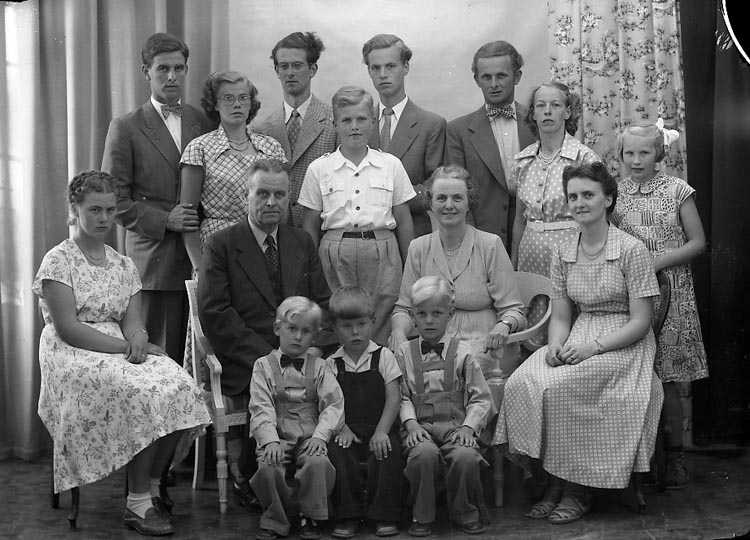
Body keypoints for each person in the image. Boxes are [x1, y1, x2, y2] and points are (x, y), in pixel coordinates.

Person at [33, 171, 210, 536]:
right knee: (139, 392)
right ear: (74, 209)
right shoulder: (58, 260)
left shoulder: (123, 264)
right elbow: (68, 328)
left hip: (120, 347)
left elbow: (134, 321)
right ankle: (137, 505)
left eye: (110, 210)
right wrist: (126, 348)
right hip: (71, 352)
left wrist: (141, 338)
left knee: (180, 383)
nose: (103, 219)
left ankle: (151, 485)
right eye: (94, 209)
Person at [493, 162, 664, 525]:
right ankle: (551, 480)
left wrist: (594, 348)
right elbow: (560, 315)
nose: (580, 202)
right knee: (524, 381)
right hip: (578, 333)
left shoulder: (631, 250)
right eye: (573, 196)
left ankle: (574, 489)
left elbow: (641, 321)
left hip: (623, 343)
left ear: (608, 199)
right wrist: (555, 345)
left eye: (588, 194)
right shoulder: (563, 250)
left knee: (562, 387)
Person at [198, 158, 330, 511]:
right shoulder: (221, 244)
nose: (272, 202)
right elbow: (216, 314)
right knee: (272, 380)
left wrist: (305, 349)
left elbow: (322, 303)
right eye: (263, 194)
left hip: (301, 351)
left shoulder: (301, 241)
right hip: (246, 357)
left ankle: (315, 476)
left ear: (289, 199)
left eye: (280, 195)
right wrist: (269, 359)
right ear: (246, 196)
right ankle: (255, 477)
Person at [101, 32, 212, 365]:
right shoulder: (126, 127)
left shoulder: (202, 121)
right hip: (154, 263)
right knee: (159, 360)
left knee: (197, 360)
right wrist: (167, 220)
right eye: (163, 68)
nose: (172, 76)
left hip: (200, 258)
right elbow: (113, 201)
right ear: (146, 71)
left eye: (179, 68)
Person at [613, 119, 708, 490]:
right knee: (636, 376)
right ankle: (641, 457)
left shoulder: (677, 190)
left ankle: (676, 457)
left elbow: (697, 242)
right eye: (629, 153)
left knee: (665, 378)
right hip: (634, 297)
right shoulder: (615, 195)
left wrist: (657, 261)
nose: (636, 160)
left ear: (660, 154)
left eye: (644, 152)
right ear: (620, 156)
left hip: (673, 291)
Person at [299, 85, 415, 345]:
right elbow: (310, 226)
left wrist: (410, 267)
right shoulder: (319, 168)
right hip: (335, 251)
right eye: (346, 120)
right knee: (341, 315)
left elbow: (404, 220)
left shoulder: (390, 165)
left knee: (381, 314)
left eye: (361, 119)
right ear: (334, 124)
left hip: (382, 250)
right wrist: (312, 269)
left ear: (373, 122)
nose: (354, 126)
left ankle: (381, 369)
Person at [389, 164, 527, 379]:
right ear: (431, 203)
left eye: (457, 198)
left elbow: (514, 310)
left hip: (485, 347)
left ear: (469, 202)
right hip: (433, 344)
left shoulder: (490, 245)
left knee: (448, 374)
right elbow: (404, 309)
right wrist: (398, 332)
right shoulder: (418, 248)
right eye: (441, 198)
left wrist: (504, 326)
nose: (449, 205)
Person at [395, 276, 493, 537]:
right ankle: (423, 513)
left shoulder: (464, 352)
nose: (429, 320)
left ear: (449, 314)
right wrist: (411, 423)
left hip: (455, 427)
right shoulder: (404, 353)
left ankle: (464, 510)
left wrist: (469, 428)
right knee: (422, 456)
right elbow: (401, 395)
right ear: (413, 315)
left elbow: (480, 398)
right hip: (421, 428)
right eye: (422, 314)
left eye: (436, 313)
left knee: (466, 457)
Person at [509, 82, 599, 347]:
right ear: (533, 114)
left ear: (568, 112)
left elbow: (598, 215)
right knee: (536, 320)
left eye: (555, 105)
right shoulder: (522, 161)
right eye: (540, 106)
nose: (547, 111)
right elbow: (519, 218)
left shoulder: (583, 157)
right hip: (531, 252)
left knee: (571, 320)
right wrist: (514, 264)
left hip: (573, 250)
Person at [249, 296, 344, 540]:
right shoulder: (263, 366)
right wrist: (269, 439)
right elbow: (261, 406)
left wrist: (321, 437)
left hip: (310, 433)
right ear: (278, 328)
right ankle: (276, 517)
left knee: (318, 463)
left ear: (314, 336)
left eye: (306, 331)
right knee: (269, 466)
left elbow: (333, 405)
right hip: (278, 433)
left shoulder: (321, 366)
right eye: (292, 329)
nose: (298, 337)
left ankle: (311, 514)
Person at [180, 70, 287, 273]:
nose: (237, 104)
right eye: (228, 98)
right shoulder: (200, 148)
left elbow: (283, 208)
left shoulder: (271, 148)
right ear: (215, 104)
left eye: (243, 98)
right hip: (219, 248)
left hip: (264, 244)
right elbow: (187, 216)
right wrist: (200, 267)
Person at [326, 286, 403, 539]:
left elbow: (394, 398)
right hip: (347, 428)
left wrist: (381, 431)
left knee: (387, 453)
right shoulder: (332, 364)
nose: (355, 332)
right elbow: (330, 403)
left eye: (361, 324)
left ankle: (383, 515)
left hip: (379, 426)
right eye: (347, 326)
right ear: (335, 328)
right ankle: (348, 515)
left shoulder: (384, 356)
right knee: (338, 454)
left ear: (373, 322)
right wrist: (342, 428)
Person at [444, 40, 535, 247]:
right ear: (477, 80)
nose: (494, 84)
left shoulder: (537, 124)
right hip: (482, 236)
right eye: (486, 77)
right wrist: (470, 240)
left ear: (517, 76)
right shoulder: (458, 131)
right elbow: (458, 191)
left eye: (501, 75)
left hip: (535, 233)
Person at [362, 34, 447, 237]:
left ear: (406, 67)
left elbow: (436, 188)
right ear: (369, 71)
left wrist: (386, 195)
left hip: (413, 235)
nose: (383, 74)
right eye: (376, 68)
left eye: (391, 66)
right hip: (366, 236)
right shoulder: (359, 125)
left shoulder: (431, 125)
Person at [255, 31, 338, 228]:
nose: (290, 72)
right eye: (284, 66)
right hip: (276, 232)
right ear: (276, 71)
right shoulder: (263, 129)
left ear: (313, 69)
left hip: (320, 231)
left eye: (297, 65)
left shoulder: (333, 121)